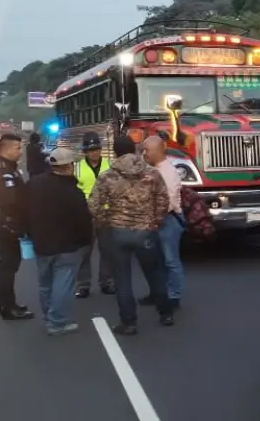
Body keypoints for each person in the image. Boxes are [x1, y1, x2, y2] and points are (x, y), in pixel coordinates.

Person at [88, 134, 173, 335]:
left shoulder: (107, 176)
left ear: (115, 151)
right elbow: (163, 200)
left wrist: (106, 220)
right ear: (135, 149)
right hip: (145, 232)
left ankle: (129, 323)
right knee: (155, 274)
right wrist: (155, 220)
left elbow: (94, 205)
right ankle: (165, 314)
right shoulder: (152, 173)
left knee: (122, 279)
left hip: (118, 232)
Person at [26, 147, 92, 337]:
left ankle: (48, 317)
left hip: (41, 243)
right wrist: (85, 241)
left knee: (45, 283)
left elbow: (22, 210)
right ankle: (58, 322)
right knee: (63, 284)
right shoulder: (73, 192)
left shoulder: (33, 184)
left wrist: (28, 233)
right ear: (69, 166)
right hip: (67, 247)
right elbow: (83, 221)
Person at [0, 133, 33, 320]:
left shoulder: (10, 168)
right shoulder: (3, 171)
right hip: (10, 224)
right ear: (6, 149)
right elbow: (10, 200)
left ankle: (10, 303)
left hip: (13, 222)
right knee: (7, 266)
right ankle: (7, 307)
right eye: (17, 148)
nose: (20, 151)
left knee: (11, 266)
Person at [140, 135, 185, 312]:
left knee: (170, 260)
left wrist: (154, 218)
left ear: (158, 151)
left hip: (167, 221)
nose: (144, 154)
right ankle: (159, 293)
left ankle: (174, 296)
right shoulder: (154, 169)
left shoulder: (168, 172)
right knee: (158, 261)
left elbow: (169, 200)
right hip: (158, 221)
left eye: (147, 150)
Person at [74, 132, 114, 298]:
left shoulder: (110, 165)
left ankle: (106, 282)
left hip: (106, 213)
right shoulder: (77, 167)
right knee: (84, 253)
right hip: (85, 215)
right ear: (85, 152)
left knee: (107, 251)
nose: (94, 153)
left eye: (97, 149)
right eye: (91, 150)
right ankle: (83, 285)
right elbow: (74, 190)